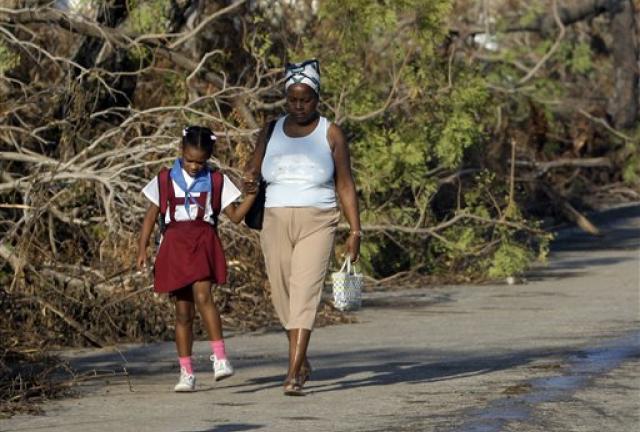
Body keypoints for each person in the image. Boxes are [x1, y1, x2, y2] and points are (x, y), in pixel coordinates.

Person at [245, 59, 361, 396]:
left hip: (319, 219)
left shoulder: (331, 132)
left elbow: (345, 185)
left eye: (305, 99)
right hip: (275, 219)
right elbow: (253, 167)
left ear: (317, 98)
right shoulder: (270, 130)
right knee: (282, 295)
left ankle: (293, 372)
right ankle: (302, 357)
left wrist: (355, 232)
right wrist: (249, 176)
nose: (298, 106)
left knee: (305, 292)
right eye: (292, 99)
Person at [137, 126, 257, 392]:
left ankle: (220, 358)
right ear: (181, 151)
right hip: (175, 245)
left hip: (203, 242)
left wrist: (252, 194)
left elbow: (236, 217)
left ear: (209, 158)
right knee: (183, 313)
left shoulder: (216, 180)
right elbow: (150, 215)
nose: (194, 166)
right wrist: (142, 247)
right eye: (190, 160)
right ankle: (186, 372)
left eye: (200, 162)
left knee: (204, 296)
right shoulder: (165, 179)